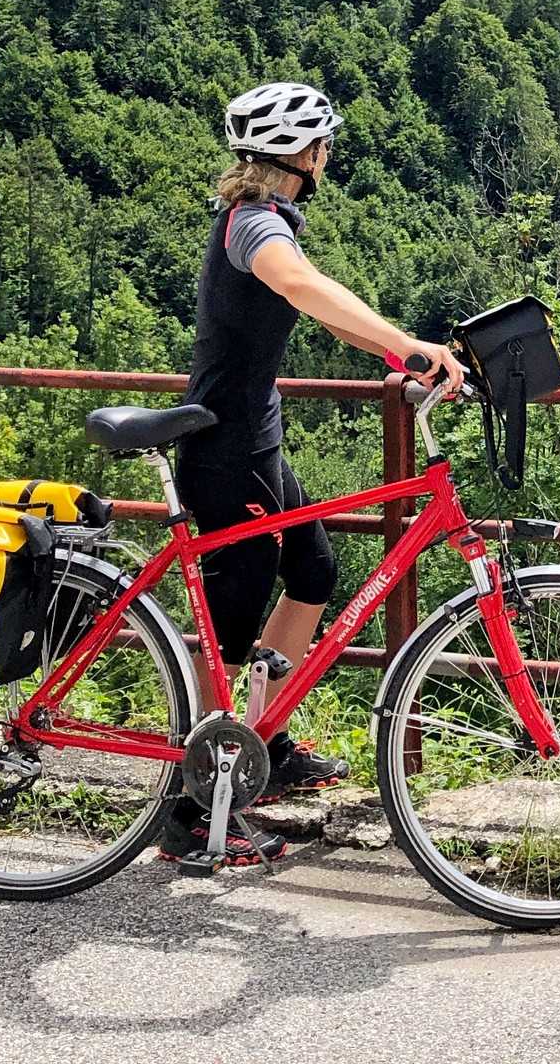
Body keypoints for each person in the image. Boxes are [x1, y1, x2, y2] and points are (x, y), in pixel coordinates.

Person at [160, 79, 460, 870]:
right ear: (305, 155)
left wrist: (400, 349)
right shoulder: (254, 226)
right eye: (325, 143)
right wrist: (409, 349)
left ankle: (262, 744)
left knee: (314, 569)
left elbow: (324, 307)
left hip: (253, 442)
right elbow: (301, 287)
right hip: (227, 452)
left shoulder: (266, 221)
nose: (329, 156)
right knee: (230, 614)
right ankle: (189, 807)